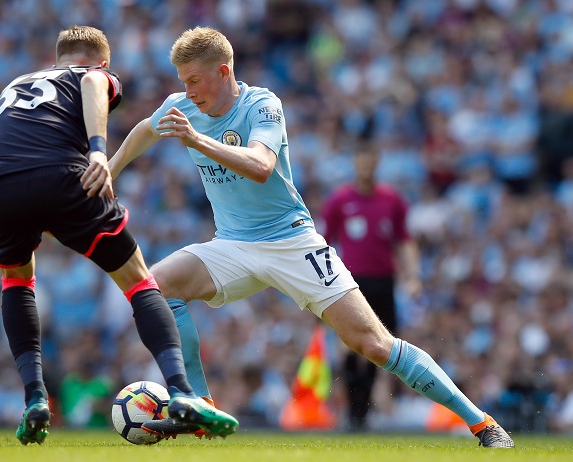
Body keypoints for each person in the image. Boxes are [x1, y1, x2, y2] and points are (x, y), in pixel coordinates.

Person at [108, 26, 514, 448]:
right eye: (182, 82)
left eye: (193, 80)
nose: (187, 91)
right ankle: (195, 402)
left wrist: (197, 140)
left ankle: (482, 423)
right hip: (232, 243)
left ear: (223, 71)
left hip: (291, 241)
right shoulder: (182, 105)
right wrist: (110, 170)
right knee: (155, 287)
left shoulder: (262, 105)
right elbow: (144, 129)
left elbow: (261, 165)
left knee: (373, 344)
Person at [0, 25, 238, 445]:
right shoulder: (92, 73)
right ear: (103, 61)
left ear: (56, 57)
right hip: (62, 173)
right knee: (139, 281)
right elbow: (92, 82)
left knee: (16, 280)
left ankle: (35, 398)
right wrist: (97, 149)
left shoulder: (14, 86)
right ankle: (183, 393)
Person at [322, 140, 422, 431]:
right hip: (352, 284)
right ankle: (355, 413)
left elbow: (405, 241)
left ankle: (362, 413)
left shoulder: (392, 200)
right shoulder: (340, 201)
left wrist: (413, 276)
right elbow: (323, 244)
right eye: (361, 159)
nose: (366, 164)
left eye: (370, 159)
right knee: (352, 347)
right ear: (355, 162)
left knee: (383, 348)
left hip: (383, 283)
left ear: (377, 161)